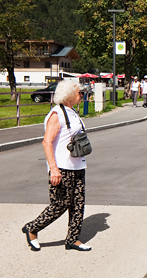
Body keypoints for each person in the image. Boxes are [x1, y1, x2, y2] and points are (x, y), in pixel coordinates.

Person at [22, 79, 91, 252]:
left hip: (78, 166)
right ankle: (32, 228)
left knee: (78, 204)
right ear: (68, 94)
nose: (81, 95)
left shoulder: (72, 112)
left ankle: (73, 239)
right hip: (62, 168)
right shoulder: (56, 114)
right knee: (60, 204)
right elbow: (47, 142)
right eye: (79, 92)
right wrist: (53, 168)